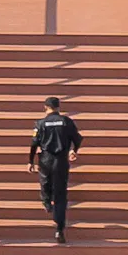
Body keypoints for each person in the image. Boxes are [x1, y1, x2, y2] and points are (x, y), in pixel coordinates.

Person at [29, 94, 82, 240]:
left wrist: (30, 160)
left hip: (45, 159)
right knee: (60, 194)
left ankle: (46, 202)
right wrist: (74, 150)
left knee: (44, 182)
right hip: (61, 161)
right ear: (58, 107)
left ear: (45, 107)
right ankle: (59, 228)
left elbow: (34, 143)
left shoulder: (40, 123)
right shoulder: (66, 121)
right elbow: (78, 138)